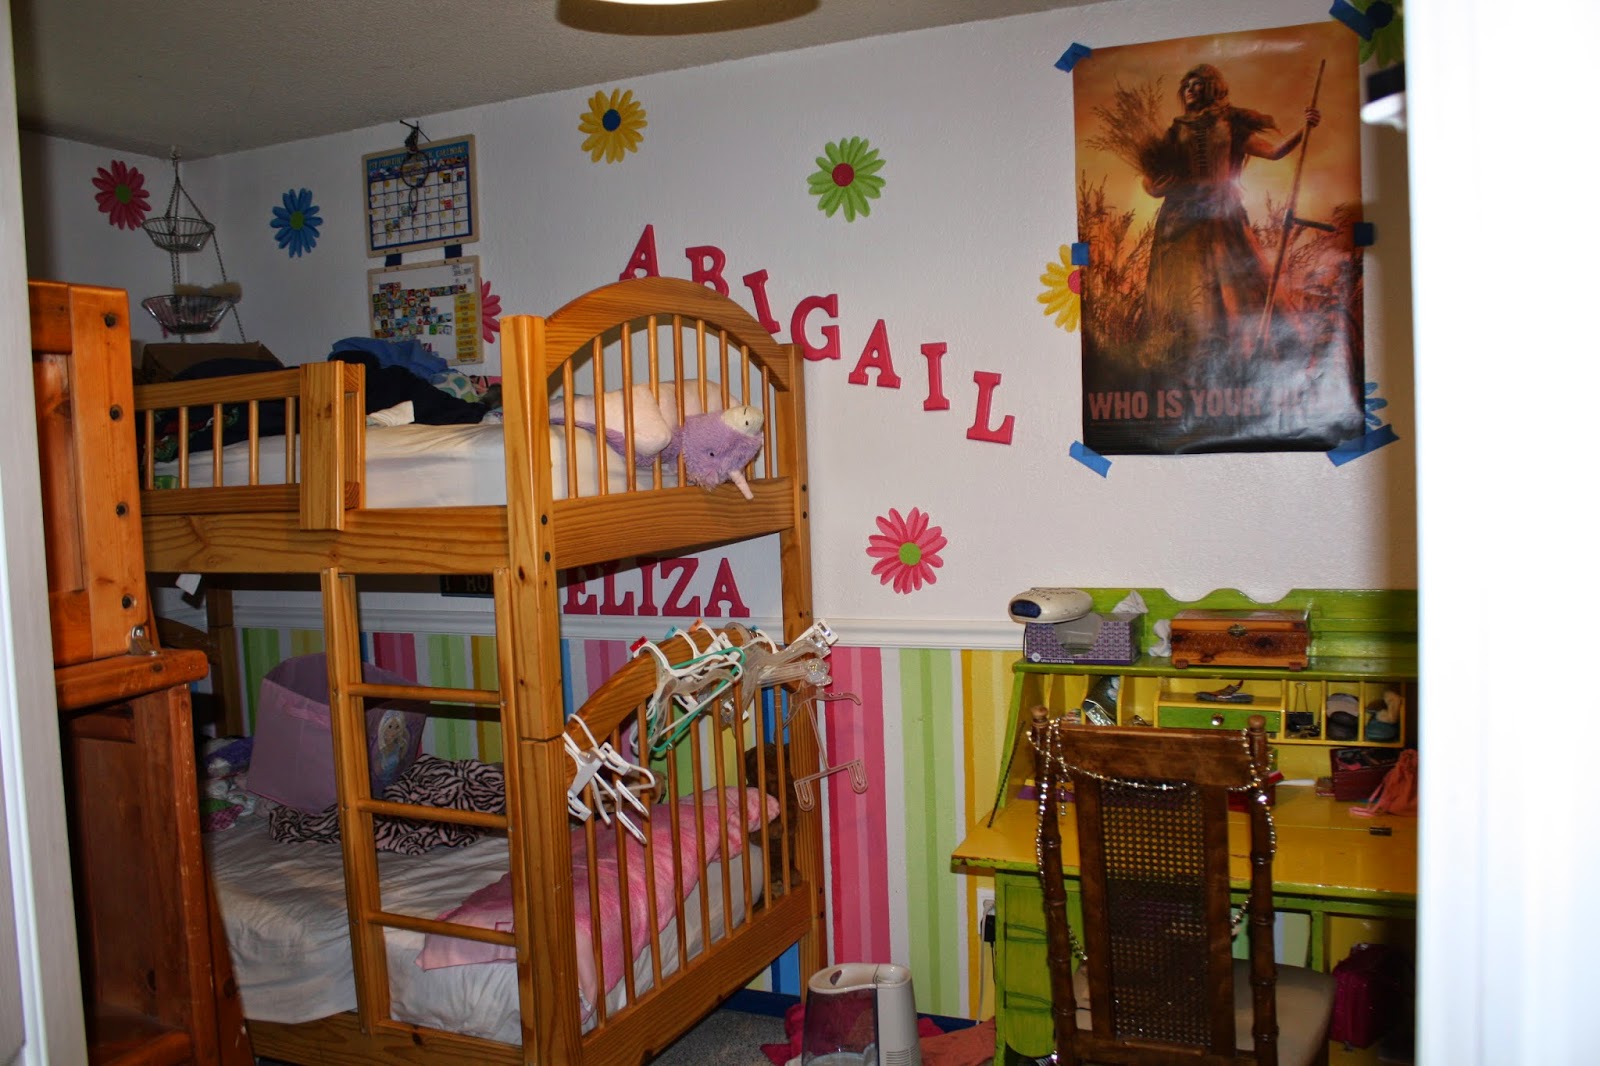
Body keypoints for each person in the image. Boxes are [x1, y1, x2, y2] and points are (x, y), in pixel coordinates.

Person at [1137, 63, 1320, 369]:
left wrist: (1305, 128)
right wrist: (1155, 188)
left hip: (1224, 217)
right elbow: (1151, 176)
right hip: (1181, 221)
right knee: (1188, 289)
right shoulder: (1176, 130)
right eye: (1187, 85)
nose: (1190, 90)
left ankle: (1241, 357)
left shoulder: (1231, 124)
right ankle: (1189, 359)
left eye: (1197, 84)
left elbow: (1274, 151)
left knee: (1234, 285)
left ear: (1212, 87)